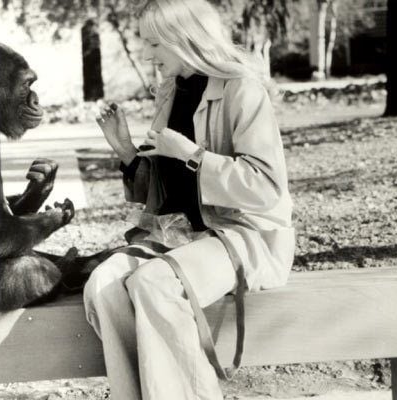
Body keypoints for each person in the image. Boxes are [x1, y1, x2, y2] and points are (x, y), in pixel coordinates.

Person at [83, 0, 295, 398]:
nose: (148, 55)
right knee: (104, 285)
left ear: (185, 39)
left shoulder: (241, 90)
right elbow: (169, 190)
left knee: (154, 284)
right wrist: (128, 152)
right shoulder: (171, 92)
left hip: (243, 237)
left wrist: (193, 155)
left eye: (154, 44)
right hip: (183, 238)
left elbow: (266, 187)